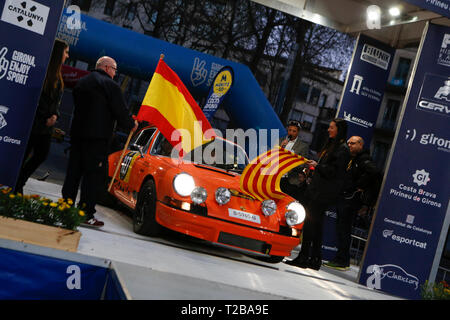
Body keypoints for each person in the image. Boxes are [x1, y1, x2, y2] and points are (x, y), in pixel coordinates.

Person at [62, 56, 138, 227]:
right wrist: (131, 124)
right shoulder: (110, 86)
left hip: (77, 136)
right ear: (106, 67)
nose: (115, 73)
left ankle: (65, 208)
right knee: (93, 178)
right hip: (97, 140)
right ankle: (85, 213)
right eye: (114, 69)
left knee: (73, 175)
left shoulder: (82, 82)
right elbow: (119, 110)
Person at [285, 118, 350, 270]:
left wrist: (317, 166)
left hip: (322, 193)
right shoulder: (333, 146)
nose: (328, 129)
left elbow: (333, 172)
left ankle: (305, 257)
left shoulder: (342, 149)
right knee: (316, 225)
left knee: (311, 224)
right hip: (317, 190)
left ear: (338, 129)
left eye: (332, 127)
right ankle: (314, 259)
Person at [15, 39, 70, 194]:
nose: (67, 56)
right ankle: (17, 184)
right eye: (65, 52)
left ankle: (19, 181)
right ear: (58, 53)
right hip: (34, 123)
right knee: (25, 155)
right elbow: (35, 97)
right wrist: (46, 115)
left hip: (46, 126)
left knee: (41, 155)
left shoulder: (58, 76)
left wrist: (55, 115)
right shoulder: (42, 71)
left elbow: (55, 103)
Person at [324, 136, 381, 270]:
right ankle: (340, 258)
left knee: (344, 230)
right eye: (349, 143)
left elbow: (376, 172)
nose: (350, 145)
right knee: (341, 229)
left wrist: (358, 186)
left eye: (353, 143)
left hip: (351, 200)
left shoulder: (363, 159)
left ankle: (343, 261)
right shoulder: (353, 158)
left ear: (361, 145)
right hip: (345, 198)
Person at [279, 120, 309, 198]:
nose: (291, 133)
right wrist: (280, 147)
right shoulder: (280, 141)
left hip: (290, 180)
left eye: (294, 131)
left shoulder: (303, 146)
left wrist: (290, 163)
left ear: (298, 132)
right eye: (290, 130)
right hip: (277, 178)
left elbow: (303, 164)